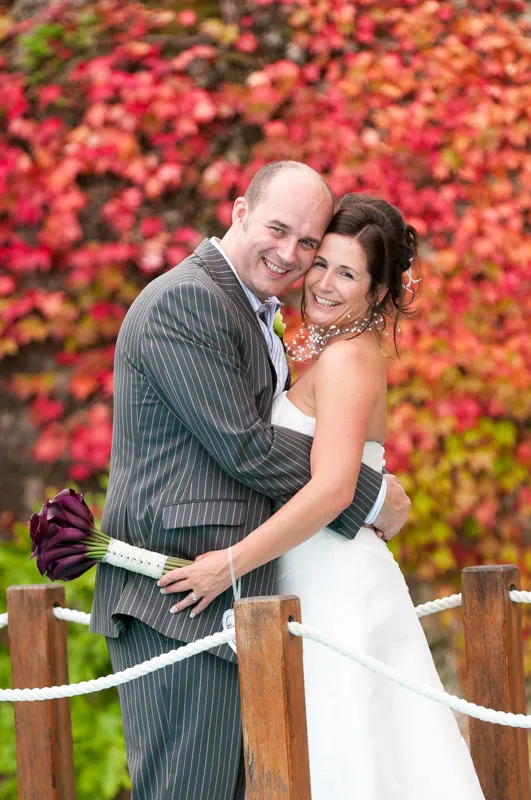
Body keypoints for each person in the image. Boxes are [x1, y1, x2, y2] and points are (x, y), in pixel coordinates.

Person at [89, 162, 411, 800]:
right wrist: (362, 489)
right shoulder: (189, 300)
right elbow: (245, 445)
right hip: (180, 599)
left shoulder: (261, 312)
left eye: (310, 243)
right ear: (239, 211)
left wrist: (349, 477)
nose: (293, 255)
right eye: (277, 229)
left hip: (245, 597)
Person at [160, 195, 486, 799]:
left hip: (334, 584)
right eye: (321, 263)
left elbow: (334, 489)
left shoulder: (347, 361)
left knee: (348, 759)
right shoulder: (331, 352)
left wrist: (226, 566)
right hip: (312, 576)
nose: (324, 284)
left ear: (378, 289)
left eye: (348, 273)